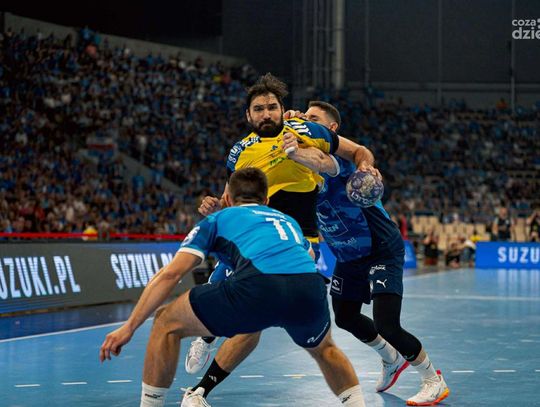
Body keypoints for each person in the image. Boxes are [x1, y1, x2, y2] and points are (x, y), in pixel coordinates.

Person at [185, 102, 449, 406]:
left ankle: (433, 379)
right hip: (347, 256)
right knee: (346, 317)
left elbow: (324, 160)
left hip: (379, 248)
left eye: (313, 119)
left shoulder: (340, 163)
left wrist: (294, 145)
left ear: (330, 129)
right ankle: (390, 359)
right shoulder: (298, 173)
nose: (304, 120)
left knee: (387, 324)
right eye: (303, 117)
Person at [99, 168, 366, 407]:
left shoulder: (218, 220)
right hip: (309, 287)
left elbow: (171, 274)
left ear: (227, 198)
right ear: (266, 200)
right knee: (325, 349)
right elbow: (308, 256)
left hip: (258, 286)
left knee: (165, 322)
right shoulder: (287, 221)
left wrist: (129, 327)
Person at [186, 73, 377, 391]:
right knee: (220, 285)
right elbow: (228, 200)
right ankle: (205, 340)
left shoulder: (307, 131)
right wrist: (214, 206)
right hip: (254, 236)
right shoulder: (240, 151)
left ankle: (202, 385)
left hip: (300, 239)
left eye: (272, 107)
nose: (266, 114)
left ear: (281, 109)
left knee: (256, 314)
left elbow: (358, 151)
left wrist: (365, 167)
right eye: (258, 109)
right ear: (249, 115)